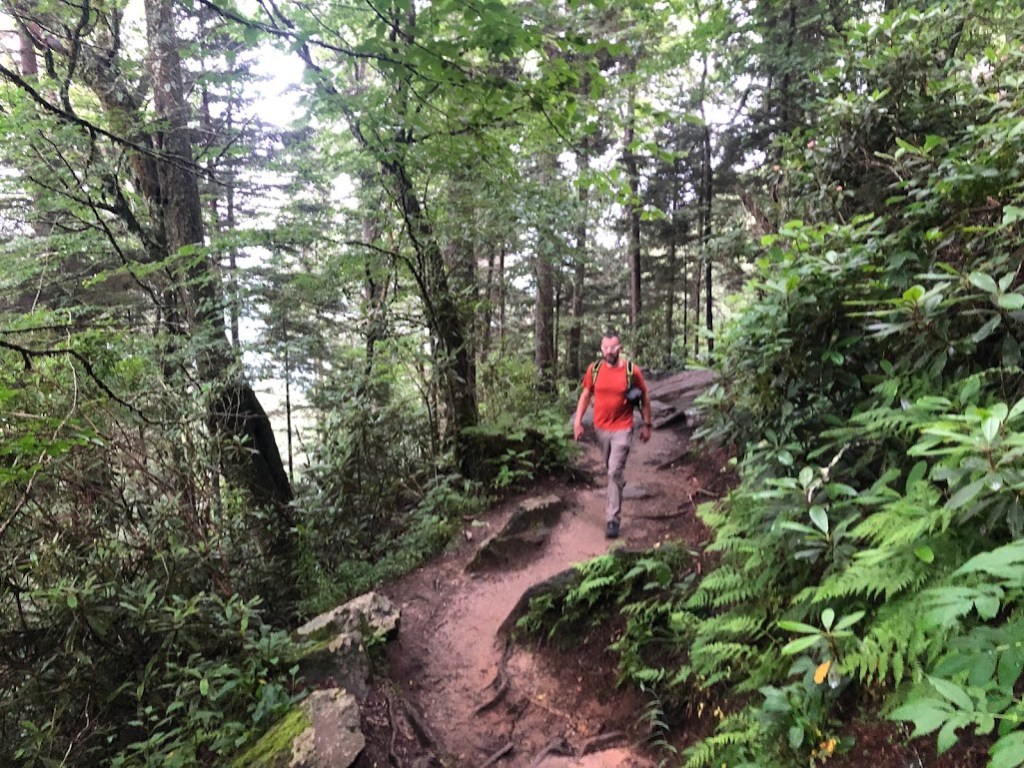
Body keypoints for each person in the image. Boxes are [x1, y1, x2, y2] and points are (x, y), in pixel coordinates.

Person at [573, 332, 652, 538]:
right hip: (601, 429)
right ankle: (617, 483)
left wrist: (647, 425)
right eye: (605, 348)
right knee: (611, 470)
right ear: (601, 349)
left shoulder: (631, 371)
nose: (609, 351)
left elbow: (644, 397)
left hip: (623, 428)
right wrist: (577, 422)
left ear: (620, 348)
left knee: (613, 471)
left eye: (613, 348)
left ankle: (612, 520)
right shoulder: (595, 369)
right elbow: (585, 395)